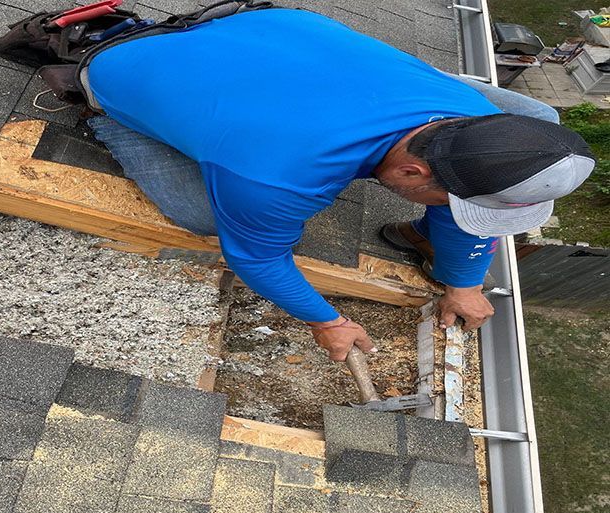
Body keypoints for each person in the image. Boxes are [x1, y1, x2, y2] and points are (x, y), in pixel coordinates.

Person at [82, 6, 595, 361]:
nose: (461, 210)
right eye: (457, 204)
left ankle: (433, 228)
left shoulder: (477, 123)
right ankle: (110, 117)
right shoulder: (281, 177)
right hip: (119, 65)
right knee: (206, 217)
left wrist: (465, 280)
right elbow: (257, 258)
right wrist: (326, 320)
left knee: (535, 115)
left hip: (273, 29)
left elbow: (468, 180)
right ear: (411, 173)